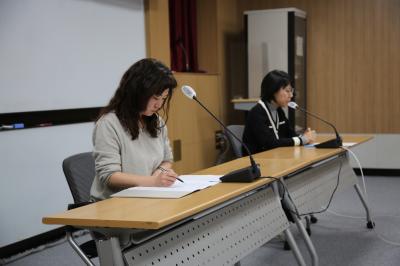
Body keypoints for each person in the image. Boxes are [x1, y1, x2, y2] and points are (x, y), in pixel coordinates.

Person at [90, 58, 179, 202]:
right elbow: (110, 176)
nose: (159, 104)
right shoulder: (109, 124)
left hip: (148, 199)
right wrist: (153, 182)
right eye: (156, 97)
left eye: (164, 98)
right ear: (137, 91)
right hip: (114, 206)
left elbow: (167, 160)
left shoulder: (156, 121)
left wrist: (160, 174)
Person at [242, 70, 316, 154]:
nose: (291, 95)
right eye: (287, 91)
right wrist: (302, 140)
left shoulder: (279, 111)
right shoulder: (257, 113)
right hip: (259, 161)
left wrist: (304, 137)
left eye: (291, 91)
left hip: (276, 158)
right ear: (273, 91)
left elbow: (291, 135)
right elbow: (270, 143)